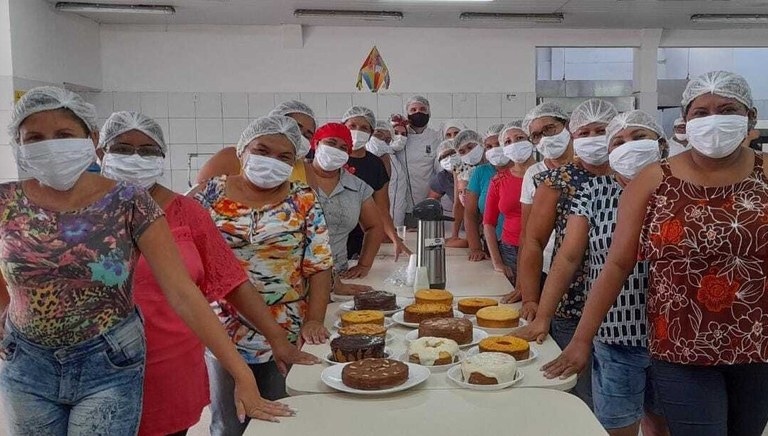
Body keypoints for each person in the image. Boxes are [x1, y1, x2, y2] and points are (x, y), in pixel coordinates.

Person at [0, 87, 293, 435]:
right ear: (18, 143)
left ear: (90, 139)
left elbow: (184, 293)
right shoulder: (6, 201)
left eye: (63, 135)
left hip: (108, 358)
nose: (50, 146)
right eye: (35, 138)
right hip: (28, 363)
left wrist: (242, 371)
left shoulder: (129, 201)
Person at [541, 71, 768, 436]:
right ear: (684, 123)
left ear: (750, 119)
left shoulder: (766, 174)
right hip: (681, 346)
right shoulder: (654, 180)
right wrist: (582, 339)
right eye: (701, 112)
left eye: (726, 109)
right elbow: (616, 264)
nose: (713, 120)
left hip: (759, 343)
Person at [98, 111, 319, 436]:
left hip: (169, 368)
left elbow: (227, 281)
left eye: (147, 150)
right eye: (123, 148)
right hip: (93, 372)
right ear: (100, 151)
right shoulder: (73, 214)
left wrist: (274, 340)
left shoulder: (185, 213)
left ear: (162, 157)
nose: (135, 159)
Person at [192, 115, 334, 436]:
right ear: (243, 150)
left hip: (286, 330)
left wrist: (315, 318)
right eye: (262, 150)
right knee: (229, 421)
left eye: (284, 156)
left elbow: (320, 263)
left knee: (279, 416)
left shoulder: (303, 199)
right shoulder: (207, 195)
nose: (271, 161)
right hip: (221, 328)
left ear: (295, 160)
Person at [534, 110, 668, 436]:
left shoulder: (680, 189)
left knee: (662, 424)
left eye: (638, 138)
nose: (628, 147)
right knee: (617, 426)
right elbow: (567, 258)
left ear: (661, 144)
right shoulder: (595, 191)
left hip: (673, 335)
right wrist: (542, 315)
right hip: (615, 333)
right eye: (618, 142)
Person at [515, 99, 618, 410]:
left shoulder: (634, 176)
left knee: (622, 399)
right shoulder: (556, 181)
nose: (594, 138)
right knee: (580, 395)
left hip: (628, 306)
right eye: (585, 132)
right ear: (574, 135)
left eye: (602, 131)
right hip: (571, 301)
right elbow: (533, 242)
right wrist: (532, 299)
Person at [308, 122, 384, 295]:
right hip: (296, 273)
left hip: (339, 274)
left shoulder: (357, 186)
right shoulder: (296, 177)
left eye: (343, 148)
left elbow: (375, 226)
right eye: (331, 143)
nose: (336, 150)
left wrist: (364, 264)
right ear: (316, 143)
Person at [342, 106, 411, 263]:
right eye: (352, 126)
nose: (357, 131)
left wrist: (395, 238)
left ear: (370, 133)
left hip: (362, 237)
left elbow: (382, 208)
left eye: (364, 128)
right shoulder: (334, 159)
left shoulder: (375, 165)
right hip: (330, 235)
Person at [195, 100, 317, 185]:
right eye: (294, 127)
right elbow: (193, 205)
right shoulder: (230, 158)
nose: (299, 136)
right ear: (274, 123)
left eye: (307, 135)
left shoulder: (305, 171)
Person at [482, 121, 535, 284]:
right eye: (508, 142)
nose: (514, 144)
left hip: (545, 249)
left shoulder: (546, 174)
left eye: (520, 138)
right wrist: (497, 262)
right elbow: (488, 223)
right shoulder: (499, 180)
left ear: (531, 140)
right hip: (510, 250)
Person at [465, 123, 509, 262]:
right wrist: (475, 247)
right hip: (492, 245)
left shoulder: (523, 172)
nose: (494, 150)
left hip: (521, 244)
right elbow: (470, 213)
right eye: (489, 147)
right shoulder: (480, 173)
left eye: (498, 144)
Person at [395, 96, 441, 228]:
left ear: (429, 113)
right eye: (413, 109)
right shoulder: (399, 138)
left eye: (422, 109)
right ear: (407, 114)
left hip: (430, 201)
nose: (418, 113)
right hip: (402, 205)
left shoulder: (436, 138)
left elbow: (440, 174)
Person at [367, 120, 408, 227]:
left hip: (396, 222)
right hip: (374, 224)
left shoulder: (392, 158)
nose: (382, 141)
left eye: (387, 140)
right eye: (379, 135)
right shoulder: (364, 160)